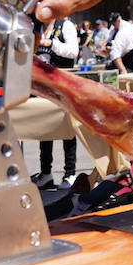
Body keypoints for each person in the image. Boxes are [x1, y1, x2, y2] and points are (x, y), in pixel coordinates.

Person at [33, 15, 79, 187]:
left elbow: (73, 51)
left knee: (67, 127)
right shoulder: (35, 26)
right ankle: (46, 173)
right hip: (42, 85)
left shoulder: (65, 26)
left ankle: (70, 173)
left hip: (63, 83)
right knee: (45, 128)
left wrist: (51, 44)